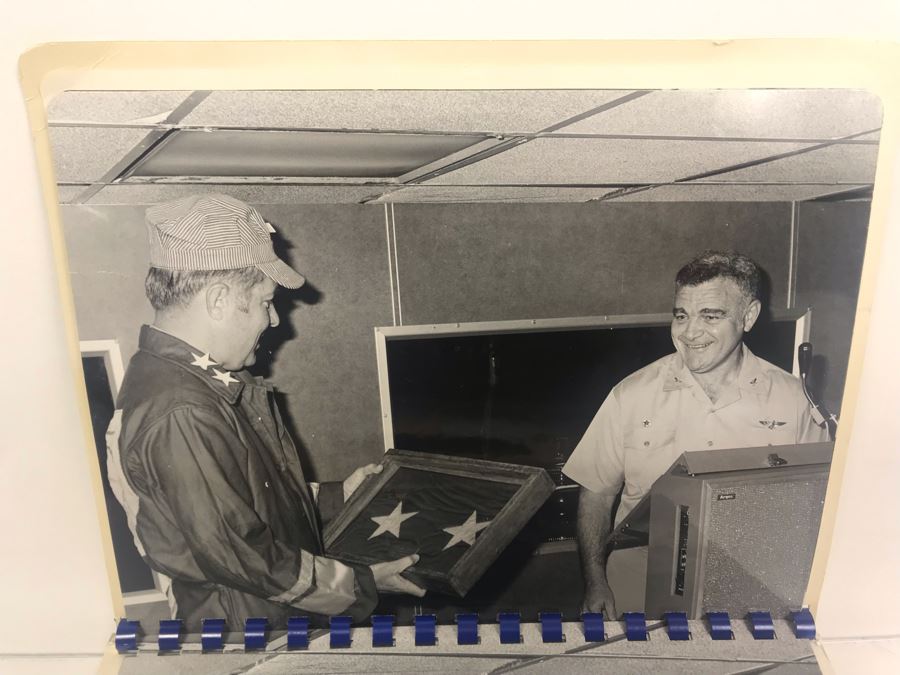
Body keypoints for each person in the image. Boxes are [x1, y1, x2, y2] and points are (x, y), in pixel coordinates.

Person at [105, 194, 424, 631]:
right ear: (218, 300)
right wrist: (362, 584)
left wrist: (338, 496)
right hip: (249, 635)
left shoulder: (189, 387)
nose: (273, 320)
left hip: (264, 620)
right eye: (264, 301)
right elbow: (241, 549)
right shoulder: (181, 408)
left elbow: (246, 498)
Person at [562, 251, 828, 618]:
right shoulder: (631, 394)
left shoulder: (793, 399)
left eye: (711, 316)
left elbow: (818, 503)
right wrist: (595, 582)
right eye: (681, 315)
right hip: (638, 582)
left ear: (748, 316)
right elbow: (596, 494)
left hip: (745, 584)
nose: (689, 333)